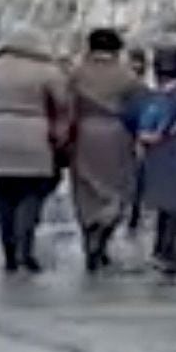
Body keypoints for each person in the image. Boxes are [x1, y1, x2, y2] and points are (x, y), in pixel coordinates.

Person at [0, 28, 72, 275]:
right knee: (31, 192)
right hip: (33, 131)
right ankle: (24, 250)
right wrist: (60, 134)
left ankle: (8, 252)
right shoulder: (47, 71)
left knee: (3, 196)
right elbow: (63, 103)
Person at [66, 29, 148, 272]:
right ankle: (102, 236)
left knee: (84, 189)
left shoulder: (76, 72)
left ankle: (88, 233)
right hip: (116, 134)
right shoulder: (126, 75)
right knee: (116, 189)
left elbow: (65, 101)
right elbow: (141, 105)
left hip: (83, 133)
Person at [134, 48, 176, 276]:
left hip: (154, 152)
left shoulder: (154, 94)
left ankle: (158, 248)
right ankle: (168, 252)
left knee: (163, 206)